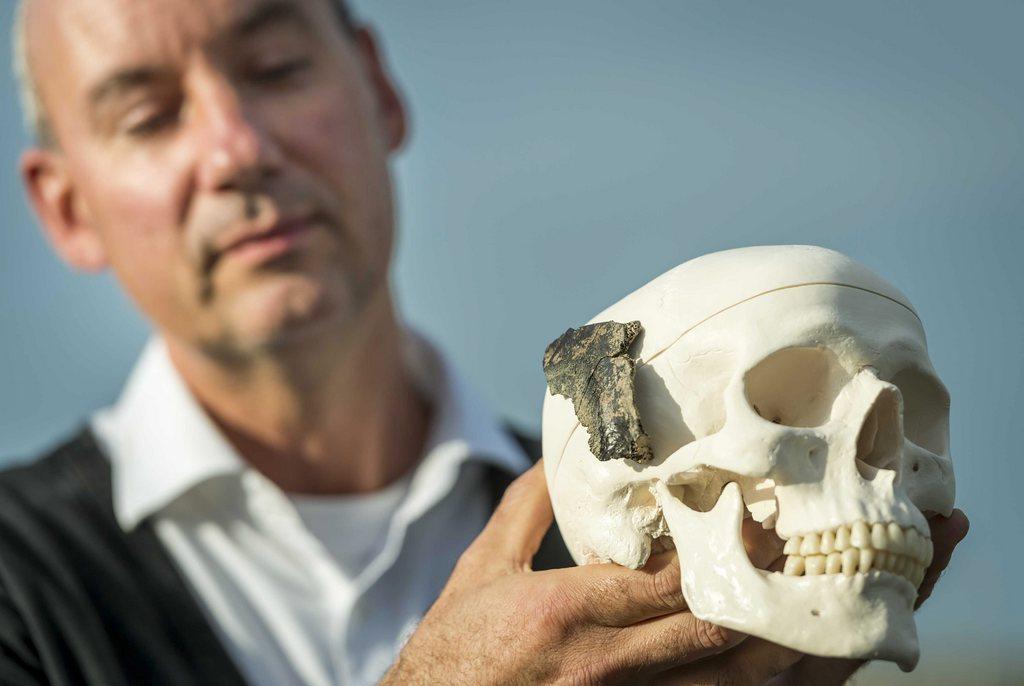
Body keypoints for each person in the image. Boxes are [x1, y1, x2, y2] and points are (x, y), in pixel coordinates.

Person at [5, 0, 968, 684]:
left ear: (380, 88)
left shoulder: (665, 528)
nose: (236, 148)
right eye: (148, 116)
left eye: (276, 70)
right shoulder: (21, 592)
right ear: (65, 208)